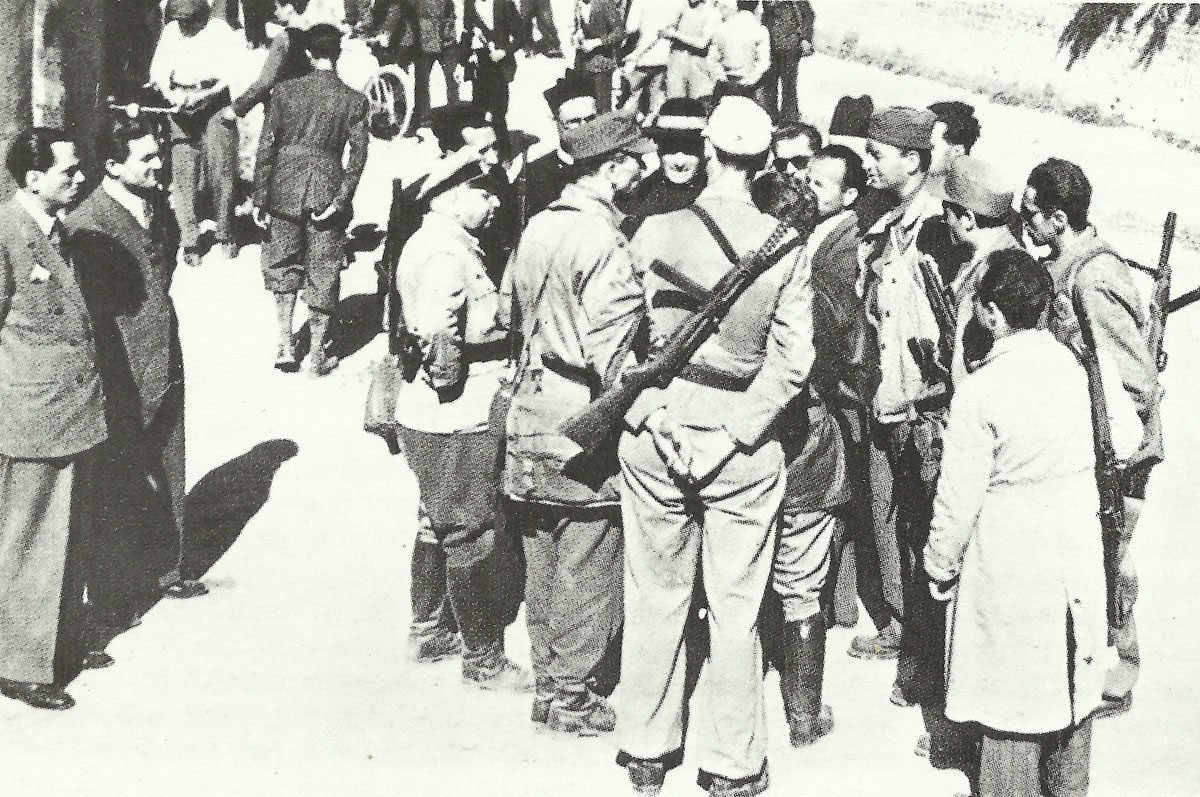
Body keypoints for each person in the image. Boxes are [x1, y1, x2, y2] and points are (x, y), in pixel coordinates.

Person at [616, 96, 812, 797]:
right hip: (742, 441)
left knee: (656, 592)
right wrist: (732, 434)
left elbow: (611, 342)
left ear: (705, 149)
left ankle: (645, 745)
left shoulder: (653, 229)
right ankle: (732, 762)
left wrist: (653, 411)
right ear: (764, 162)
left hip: (658, 428)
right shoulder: (786, 246)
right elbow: (792, 363)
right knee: (736, 607)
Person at [925, 248, 1141, 797]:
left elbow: (956, 502)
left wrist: (939, 567)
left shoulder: (981, 390)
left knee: (1012, 703)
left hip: (1009, 559)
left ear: (993, 315)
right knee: (1072, 686)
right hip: (1074, 546)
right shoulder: (1078, 367)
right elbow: (1129, 436)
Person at [501, 109, 650, 735]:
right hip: (579, 422)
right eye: (633, 161)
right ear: (612, 169)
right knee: (587, 561)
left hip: (529, 411)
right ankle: (575, 697)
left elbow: (514, 313)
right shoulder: (605, 241)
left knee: (543, 558)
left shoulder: (538, 226)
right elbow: (611, 359)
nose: (641, 170)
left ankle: (550, 681)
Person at [1021, 157, 1162, 721]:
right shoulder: (1071, 265)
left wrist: (1108, 457)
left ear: (1058, 218)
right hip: (1095, 446)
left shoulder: (1093, 279)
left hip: (1115, 456)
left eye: (1032, 214)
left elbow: (1132, 386)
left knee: (1110, 563)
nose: (1024, 223)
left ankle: (1117, 677)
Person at [69, 115, 209, 648]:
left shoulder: (155, 207)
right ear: (111, 165)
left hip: (163, 356)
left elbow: (163, 271)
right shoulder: (89, 224)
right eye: (147, 159)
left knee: (169, 461)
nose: (159, 165)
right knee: (117, 478)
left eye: (159, 155)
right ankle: (112, 595)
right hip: (122, 369)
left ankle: (164, 570)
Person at [393, 157, 529, 692]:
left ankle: (428, 630)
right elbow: (438, 336)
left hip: (431, 412)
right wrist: (458, 366)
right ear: (449, 195)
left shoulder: (434, 243)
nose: (494, 204)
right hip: (456, 412)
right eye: (484, 193)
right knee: (470, 529)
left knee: (436, 519)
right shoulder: (447, 254)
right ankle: (483, 658)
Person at [752, 171, 876, 749]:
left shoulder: (726, 286)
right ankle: (803, 718)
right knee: (801, 585)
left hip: (740, 453)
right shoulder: (822, 294)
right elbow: (855, 366)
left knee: (736, 579)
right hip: (807, 453)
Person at [0, 129, 98, 711]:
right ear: (32, 177)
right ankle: (17, 662)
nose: (79, 178)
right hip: (31, 411)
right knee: (29, 537)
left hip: (68, 408)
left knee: (62, 534)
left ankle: (54, 645)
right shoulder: (8, 232)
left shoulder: (56, 230)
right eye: (68, 170)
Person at [855, 107, 943, 716]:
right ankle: (902, 631)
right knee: (890, 518)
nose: (868, 163)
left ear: (912, 161)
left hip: (921, 405)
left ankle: (924, 658)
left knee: (921, 530)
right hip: (889, 400)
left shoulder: (936, 227)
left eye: (878, 154)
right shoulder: (892, 220)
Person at [253, 24, 369, 375]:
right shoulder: (354, 99)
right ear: (338, 54)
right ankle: (317, 353)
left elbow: (266, 147)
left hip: (283, 190)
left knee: (282, 263)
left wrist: (260, 197)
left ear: (307, 54)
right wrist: (341, 199)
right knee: (325, 267)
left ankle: (286, 344)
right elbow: (358, 157)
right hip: (326, 190)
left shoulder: (284, 92)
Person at [148, 0, 245, 265]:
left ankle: (226, 232)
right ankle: (190, 239)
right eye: (181, 21)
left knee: (221, 171)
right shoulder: (171, 32)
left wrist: (204, 95)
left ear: (202, 15)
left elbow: (232, 73)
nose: (185, 26)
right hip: (180, 106)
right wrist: (171, 95)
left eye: (190, 21)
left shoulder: (220, 31)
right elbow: (158, 71)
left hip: (213, 104)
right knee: (183, 174)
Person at [934, 155, 1020, 387]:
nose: (945, 221)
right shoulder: (977, 256)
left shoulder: (1004, 271)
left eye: (947, 212)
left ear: (968, 219)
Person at [619, 97, 708, 238]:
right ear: (659, 150)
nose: (679, 162)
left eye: (690, 150)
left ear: (704, 150)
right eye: (671, 149)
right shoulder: (640, 197)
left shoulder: (714, 195)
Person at [523, 70, 598, 221]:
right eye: (574, 122)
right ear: (556, 122)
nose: (584, 128)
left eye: (590, 119)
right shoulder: (536, 174)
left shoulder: (610, 164)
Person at [227, 0, 313, 121]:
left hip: (284, 110)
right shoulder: (316, 35)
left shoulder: (283, 39)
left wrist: (236, 108)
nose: (275, 12)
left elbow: (264, 82)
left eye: (278, 7)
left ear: (290, 7)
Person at [462, 0, 521, 154]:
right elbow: (467, 33)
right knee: (480, 111)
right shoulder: (470, 4)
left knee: (498, 112)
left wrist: (504, 52)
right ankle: (487, 156)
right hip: (479, 65)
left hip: (500, 66)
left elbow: (521, 35)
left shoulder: (504, 4)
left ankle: (505, 154)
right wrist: (464, 60)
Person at [620, 0, 684, 116]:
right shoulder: (678, 3)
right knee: (655, 103)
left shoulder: (639, 2)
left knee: (631, 98)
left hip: (641, 59)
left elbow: (631, 28)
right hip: (664, 57)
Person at [708, 0, 770, 105]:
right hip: (749, 88)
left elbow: (711, 59)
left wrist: (721, 77)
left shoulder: (722, 28)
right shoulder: (760, 30)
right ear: (756, 6)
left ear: (737, 4)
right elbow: (763, 63)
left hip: (724, 85)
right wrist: (749, 80)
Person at [412, 0, 461, 131]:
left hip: (446, 38)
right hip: (425, 40)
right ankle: (424, 117)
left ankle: (456, 113)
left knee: (452, 78)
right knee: (422, 81)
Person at [760, 0, 813, 122]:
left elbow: (808, 15)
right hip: (770, 44)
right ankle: (768, 117)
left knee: (789, 86)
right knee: (769, 84)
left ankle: (789, 120)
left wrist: (805, 38)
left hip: (790, 46)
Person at [572, 0, 629, 114]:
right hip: (583, 65)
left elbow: (620, 32)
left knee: (603, 110)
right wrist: (575, 36)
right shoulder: (578, 5)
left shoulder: (604, 3)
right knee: (586, 110)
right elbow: (579, 29)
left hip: (601, 66)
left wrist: (598, 42)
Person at [663, 0, 722, 101]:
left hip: (697, 66)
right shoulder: (682, 8)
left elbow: (702, 43)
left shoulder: (712, 13)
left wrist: (674, 35)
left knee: (698, 104)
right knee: (674, 103)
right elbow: (666, 30)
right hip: (677, 64)